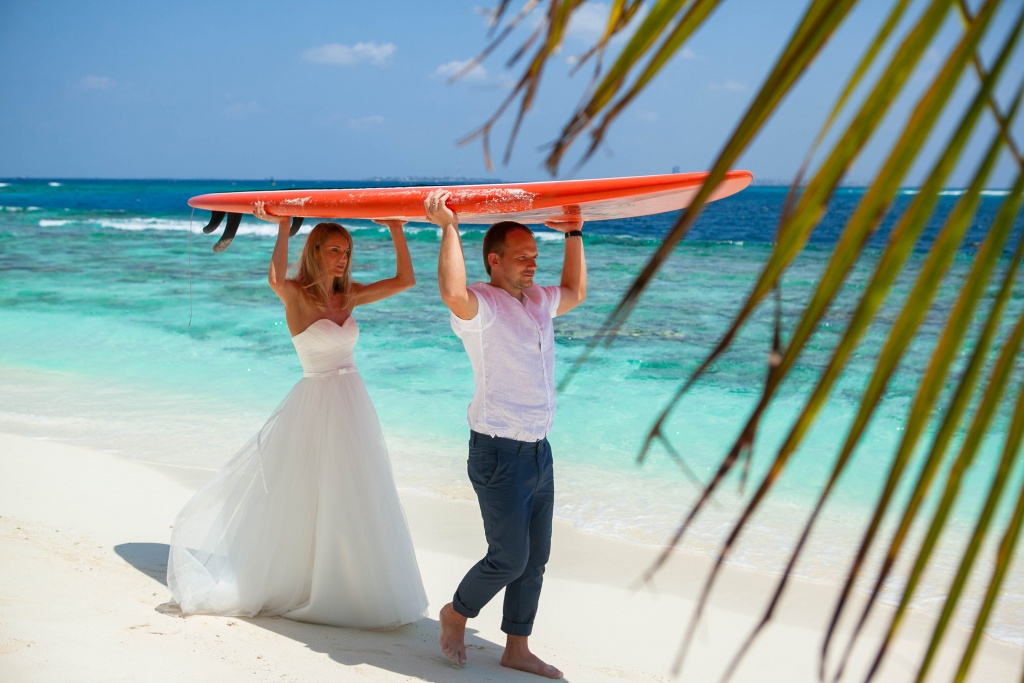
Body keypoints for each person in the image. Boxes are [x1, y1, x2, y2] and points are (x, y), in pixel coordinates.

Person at [167, 203, 428, 629]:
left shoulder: (350, 294)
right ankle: (305, 580)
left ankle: (349, 582)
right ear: (315, 251)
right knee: (311, 492)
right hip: (315, 404)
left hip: (353, 404)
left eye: (346, 251)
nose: (342, 258)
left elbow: (406, 281)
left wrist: (397, 228)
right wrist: (284, 224)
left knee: (354, 491)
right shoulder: (295, 295)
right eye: (334, 250)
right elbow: (274, 278)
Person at [424, 189, 587, 679]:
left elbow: (575, 292)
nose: (533, 264)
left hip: (539, 451)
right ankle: (456, 612)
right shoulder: (483, 306)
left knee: (535, 560)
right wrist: (449, 227)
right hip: (498, 451)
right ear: (494, 261)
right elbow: (452, 294)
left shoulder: (537, 300)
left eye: (535, 256)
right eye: (522, 257)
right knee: (509, 558)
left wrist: (574, 233)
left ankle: (517, 647)